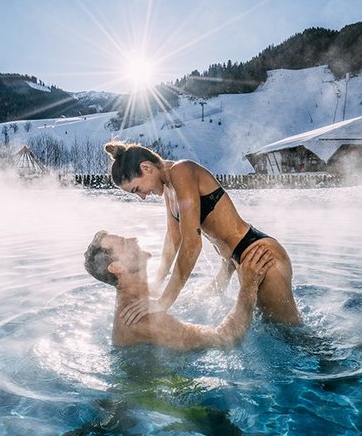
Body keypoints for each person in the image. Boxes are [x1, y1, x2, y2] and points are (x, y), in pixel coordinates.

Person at [103, 141, 301, 326]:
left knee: (293, 335)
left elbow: (191, 244)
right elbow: (173, 239)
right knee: (271, 328)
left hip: (260, 255)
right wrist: (156, 283)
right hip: (238, 260)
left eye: (137, 189)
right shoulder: (169, 189)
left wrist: (164, 301)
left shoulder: (181, 171)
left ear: (146, 168)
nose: (142, 196)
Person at [83, 230, 274, 351]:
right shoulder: (141, 318)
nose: (134, 238)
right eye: (125, 243)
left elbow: (194, 301)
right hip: (155, 399)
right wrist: (249, 286)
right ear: (117, 267)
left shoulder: (143, 298)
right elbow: (225, 339)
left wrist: (227, 268)